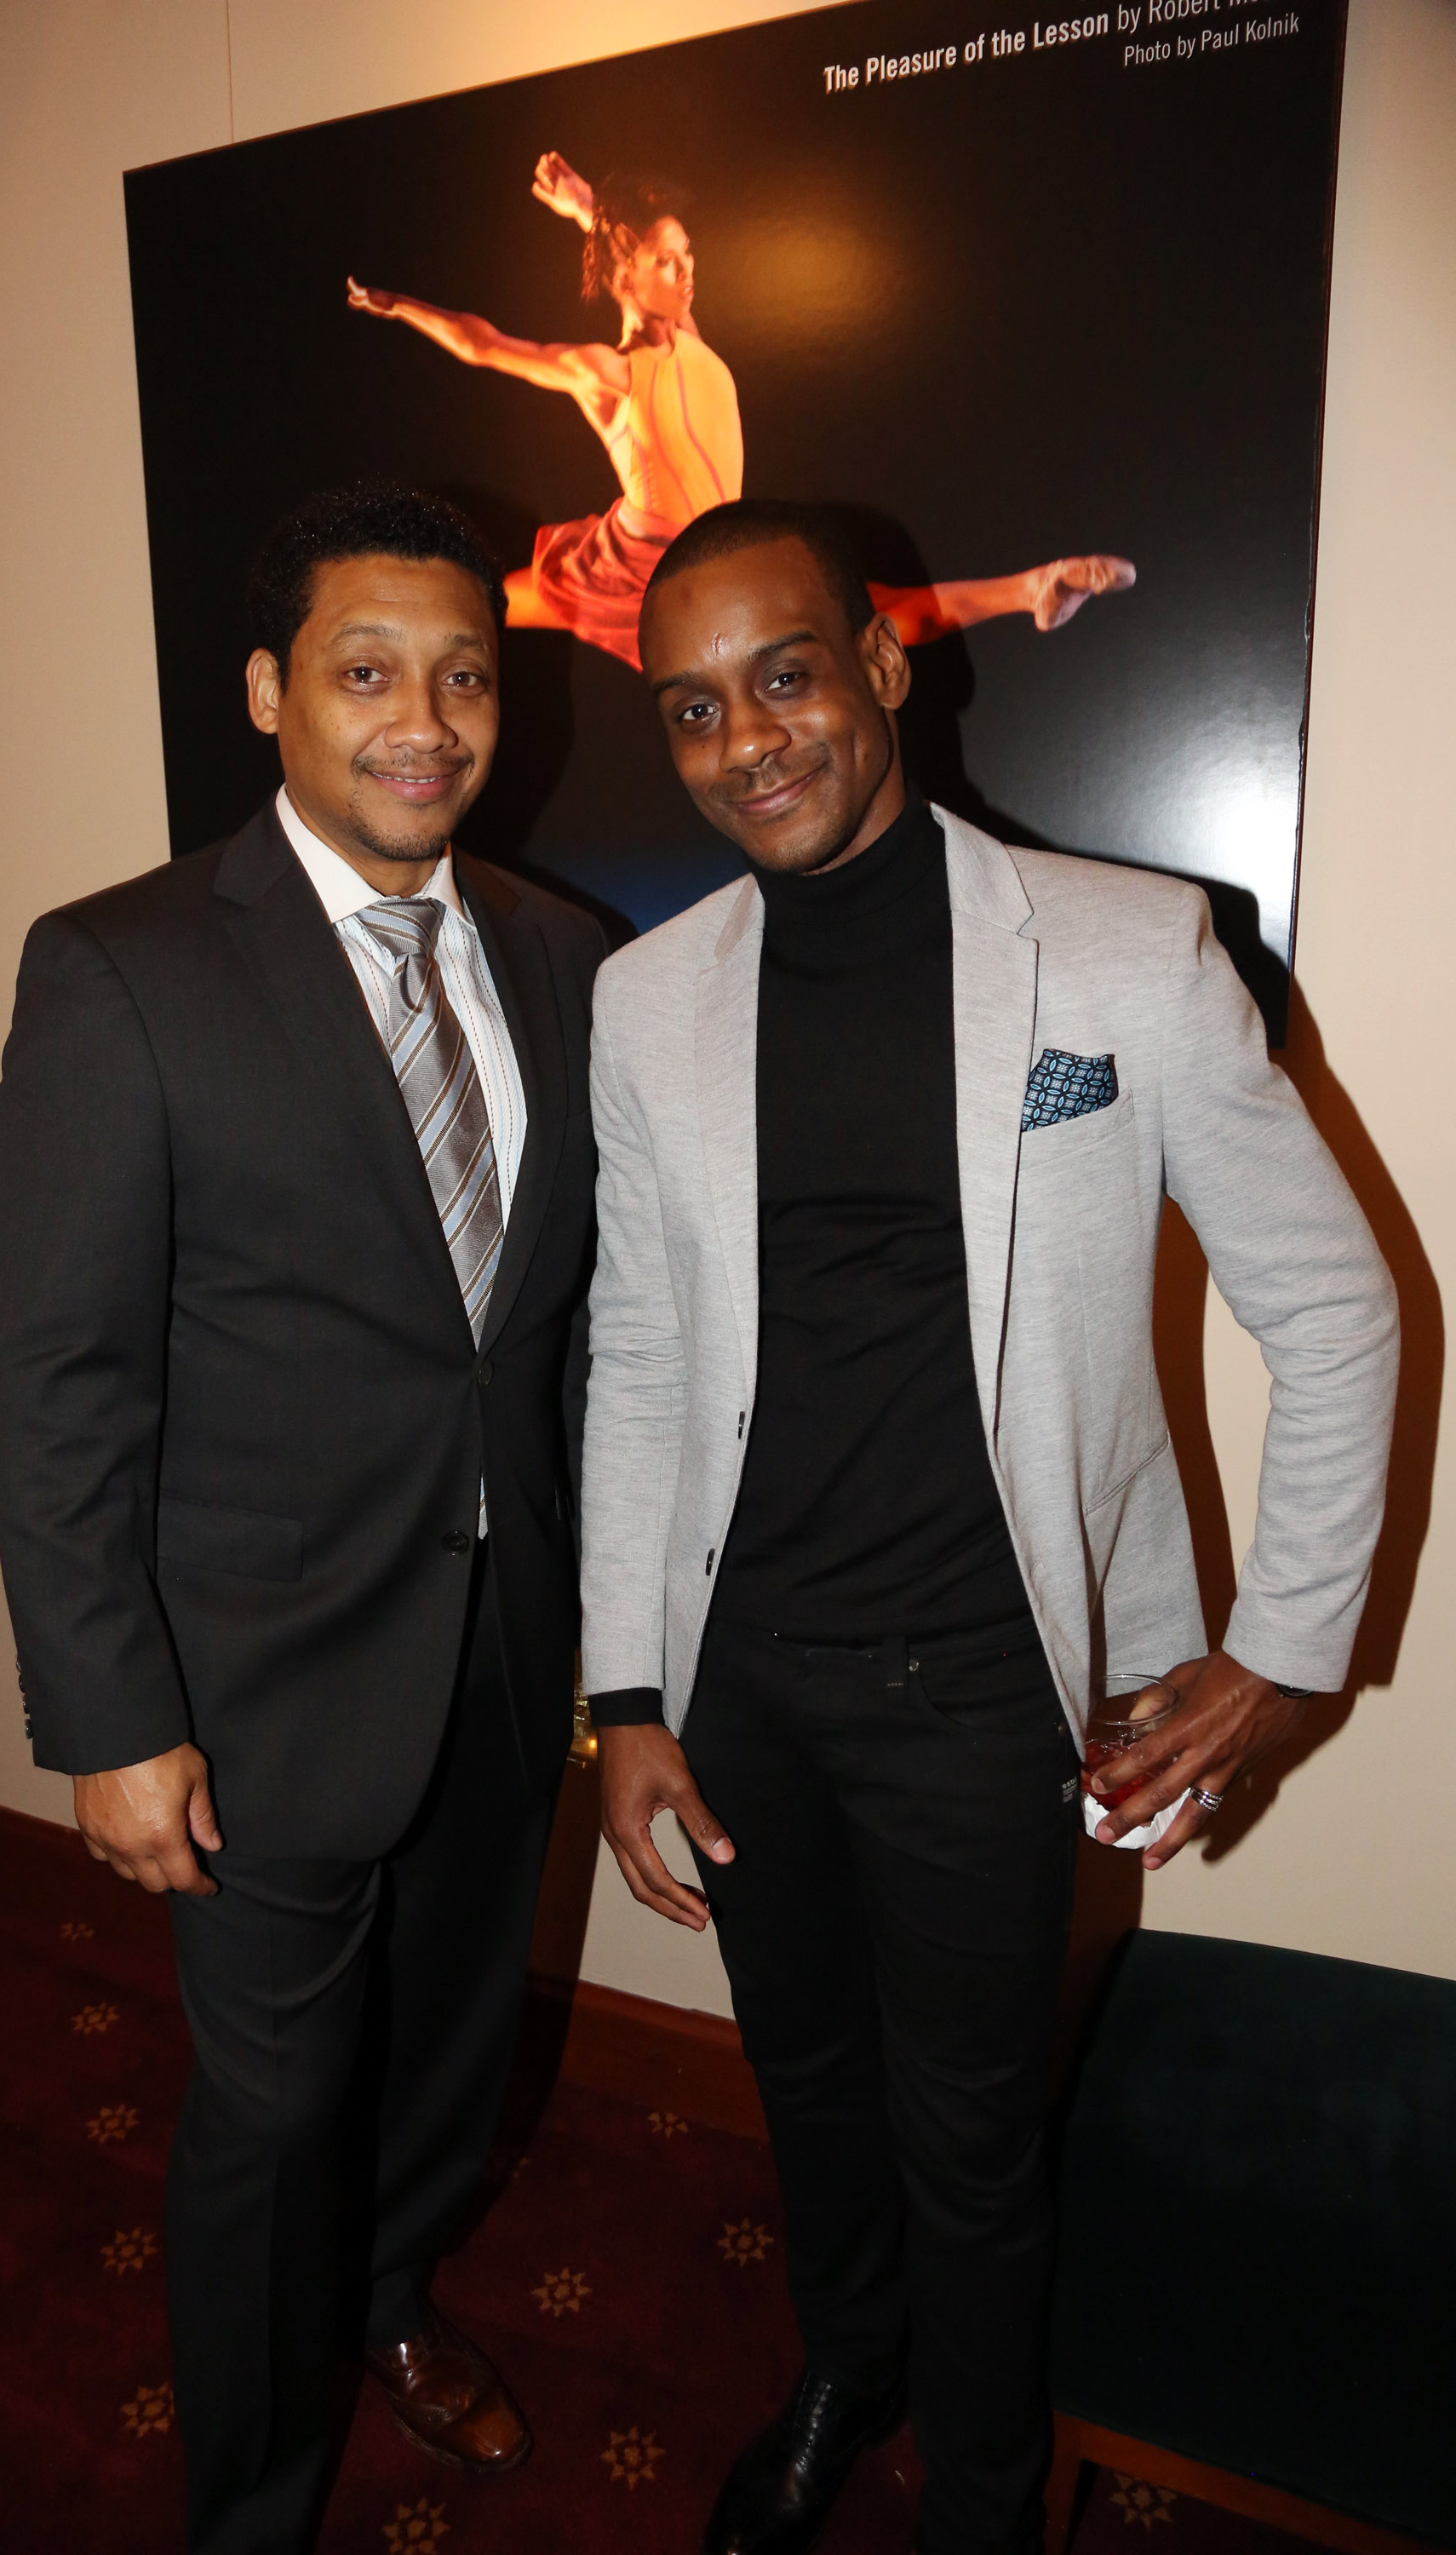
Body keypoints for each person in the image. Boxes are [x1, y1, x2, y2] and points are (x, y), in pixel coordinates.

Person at [577, 497, 1398, 2555]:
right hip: (739, 1668)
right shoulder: (645, 998)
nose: (742, 738)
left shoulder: (1119, 943)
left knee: (967, 2140)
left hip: (984, 1682)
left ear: (881, 661)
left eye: (780, 675)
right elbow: (645, 1358)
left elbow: (1334, 1298)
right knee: (808, 2081)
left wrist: (1281, 1646)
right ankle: (846, 2358)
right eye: (689, 705)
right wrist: (621, 1693)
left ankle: (977, 2490)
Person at [0, 484, 607, 2555]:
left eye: (460, 674)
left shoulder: (564, 958)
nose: (420, 718)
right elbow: (58, 1374)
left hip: (504, 1668)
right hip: (243, 1703)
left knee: (442, 2059)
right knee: (264, 2124)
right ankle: (248, 2497)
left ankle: (399, 2296)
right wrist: (106, 1715)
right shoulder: (121, 968)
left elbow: (557, 1340)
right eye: (365, 671)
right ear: (267, 694)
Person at [347, 155, 1134, 670]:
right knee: (483, 599)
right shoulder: (610, 373)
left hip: (717, 549)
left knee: (864, 622)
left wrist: (589, 211)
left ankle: (1033, 588)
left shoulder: (689, 337)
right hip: (638, 561)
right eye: (668, 260)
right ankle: (373, 615)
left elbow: (633, 260)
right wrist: (399, 307)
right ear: (629, 272)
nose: (688, 272)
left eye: (691, 256)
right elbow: (487, 346)